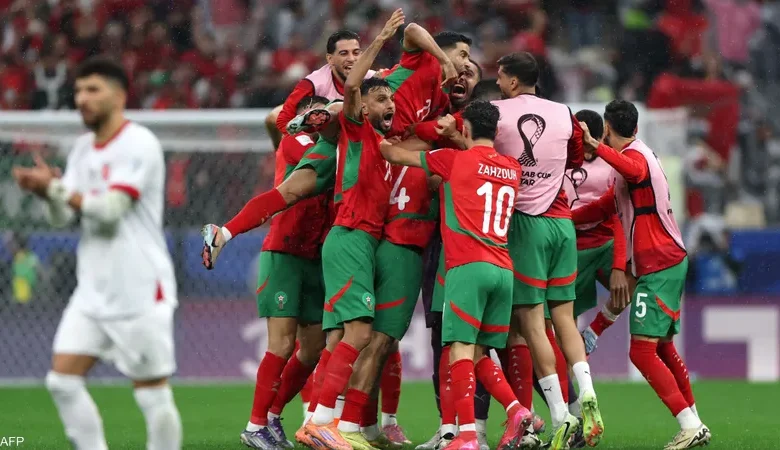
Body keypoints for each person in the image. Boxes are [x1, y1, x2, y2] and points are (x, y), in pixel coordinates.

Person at [12, 56, 181, 450]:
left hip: (139, 289)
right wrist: (48, 194)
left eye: (92, 90)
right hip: (92, 290)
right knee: (62, 381)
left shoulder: (139, 143)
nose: (81, 99)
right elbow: (62, 217)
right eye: (78, 91)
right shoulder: (82, 149)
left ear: (119, 96)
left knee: (151, 393)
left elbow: (109, 211)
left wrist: (55, 190)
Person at [380, 99, 532, 450]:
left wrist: (375, 135)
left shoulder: (451, 160)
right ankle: (517, 411)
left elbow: (393, 154)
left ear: (464, 128)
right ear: (496, 131)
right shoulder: (512, 167)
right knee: (478, 353)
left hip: (467, 267)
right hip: (503, 270)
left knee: (458, 351)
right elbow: (482, 163)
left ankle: (466, 436)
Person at [573, 100, 711, 450]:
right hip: (663, 261)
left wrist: (596, 147)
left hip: (660, 263)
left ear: (607, 128)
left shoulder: (635, 157)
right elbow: (606, 204)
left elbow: (632, 172)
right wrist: (563, 218)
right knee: (662, 347)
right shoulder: (637, 158)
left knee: (641, 352)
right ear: (634, 126)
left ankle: (690, 424)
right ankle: (695, 421)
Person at [299, 10, 404, 450]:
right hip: (349, 236)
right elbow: (352, 85)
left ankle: (317, 420)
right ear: (363, 107)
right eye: (380, 99)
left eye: (391, 100)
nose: (389, 105)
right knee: (358, 333)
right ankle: (322, 422)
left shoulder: (383, 145)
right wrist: (381, 39)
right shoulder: (356, 129)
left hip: (359, 240)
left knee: (344, 336)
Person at [492, 51, 602, 450]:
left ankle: (560, 415)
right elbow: (575, 159)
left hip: (526, 224)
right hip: (563, 224)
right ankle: (587, 392)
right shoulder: (565, 113)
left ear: (513, 81)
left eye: (500, 77)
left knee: (532, 325)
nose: (497, 83)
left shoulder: (497, 111)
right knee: (565, 319)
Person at [218, 95, 330, 450]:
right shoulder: (297, 141)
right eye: (309, 114)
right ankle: (254, 426)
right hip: (284, 253)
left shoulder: (335, 147)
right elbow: (276, 121)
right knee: (281, 343)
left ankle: (272, 416)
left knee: (313, 348)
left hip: (315, 257)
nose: (314, 120)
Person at [565, 110, 629, 355]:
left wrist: (619, 267)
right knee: (564, 322)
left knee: (634, 285)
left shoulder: (612, 162)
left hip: (604, 242)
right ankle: (576, 376)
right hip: (571, 246)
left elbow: (617, 213)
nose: (587, 151)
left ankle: (594, 330)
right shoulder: (558, 158)